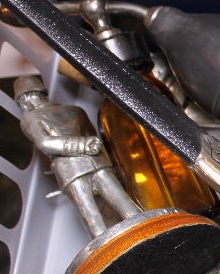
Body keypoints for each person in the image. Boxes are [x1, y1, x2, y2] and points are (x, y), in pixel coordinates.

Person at [14, 75, 140, 238]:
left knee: (94, 222)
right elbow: (93, 138)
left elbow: (45, 143)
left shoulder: (30, 118)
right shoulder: (75, 110)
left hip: (72, 172)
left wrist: (81, 146)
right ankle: (152, 234)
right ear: (43, 92)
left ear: (25, 98)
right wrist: (87, 147)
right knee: (127, 207)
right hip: (97, 162)